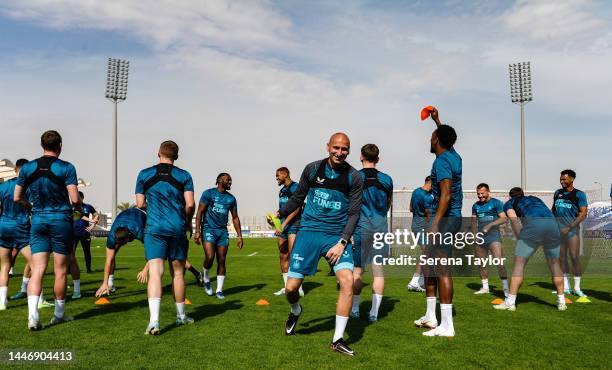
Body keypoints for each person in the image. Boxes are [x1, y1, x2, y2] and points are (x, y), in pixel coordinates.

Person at [279, 132, 363, 356]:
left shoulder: (354, 177)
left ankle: (337, 339)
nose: (339, 152)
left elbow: (354, 214)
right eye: (336, 148)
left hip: (336, 236)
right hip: (308, 233)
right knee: (291, 289)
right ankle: (296, 310)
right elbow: (298, 198)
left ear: (349, 150)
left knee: (348, 281)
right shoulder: (312, 169)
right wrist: (281, 213)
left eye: (344, 149)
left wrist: (342, 242)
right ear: (327, 147)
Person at [14, 131, 82, 330]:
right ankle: (58, 315)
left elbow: (17, 197)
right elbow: (75, 199)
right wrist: (78, 209)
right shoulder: (67, 167)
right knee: (60, 270)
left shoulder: (27, 168)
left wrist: (30, 205)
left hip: (39, 221)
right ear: (60, 145)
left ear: (41, 144)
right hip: (61, 220)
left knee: (38, 270)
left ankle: (33, 317)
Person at [135, 140, 195, 335]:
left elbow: (140, 203)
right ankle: (181, 317)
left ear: (158, 153)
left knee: (155, 273)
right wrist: (186, 219)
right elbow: (191, 204)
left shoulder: (144, 174)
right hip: (177, 228)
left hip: (154, 229)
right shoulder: (184, 175)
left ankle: (154, 321)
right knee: (177, 274)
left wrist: (154, 207)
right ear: (176, 156)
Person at [414, 108, 462, 338]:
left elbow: (446, 195)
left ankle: (447, 326)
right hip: (448, 218)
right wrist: (437, 121)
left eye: (433, 136)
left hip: (443, 219)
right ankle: (432, 316)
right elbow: (446, 138)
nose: (429, 139)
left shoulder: (442, 162)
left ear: (436, 140)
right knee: (428, 266)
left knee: (442, 269)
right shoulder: (453, 155)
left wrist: (434, 225)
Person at [494, 187, 566, 311]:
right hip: (553, 224)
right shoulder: (535, 198)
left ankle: (510, 302)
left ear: (510, 196)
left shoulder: (509, 203)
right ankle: (561, 302)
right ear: (523, 194)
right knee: (555, 264)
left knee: (519, 264)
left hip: (534, 225)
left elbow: (514, 219)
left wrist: (519, 238)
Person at [350, 144, 392, 323]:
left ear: (361, 157)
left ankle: (355, 309)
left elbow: (350, 206)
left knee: (358, 271)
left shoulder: (354, 177)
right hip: (380, 228)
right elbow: (388, 204)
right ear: (378, 158)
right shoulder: (387, 179)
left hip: (361, 228)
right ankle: (374, 313)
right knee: (379, 271)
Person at [194, 173, 244, 299]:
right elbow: (200, 212)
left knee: (221, 260)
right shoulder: (208, 194)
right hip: (208, 229)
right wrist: (197, 231)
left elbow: (235, 217)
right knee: (210, 257)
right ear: (220, 180)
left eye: (231, 180)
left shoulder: (231, 199)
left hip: (222, 232)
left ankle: (219, 290)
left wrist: (240, 236)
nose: (230, 182)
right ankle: (205, 278)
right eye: (228, 180)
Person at [0, 159, 32, 310]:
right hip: (21, 227)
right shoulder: (28, 187)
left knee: (5, 266)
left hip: (4, 226)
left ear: (15, 170)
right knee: (35, 265)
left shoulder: (3, 186)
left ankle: (2, 303)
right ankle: (39, 300)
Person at [552, 170, 588, 297]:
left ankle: (577, 288)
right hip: (558, 231)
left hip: (572, 230)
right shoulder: (557, 193)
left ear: (572, 179)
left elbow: (583, 213)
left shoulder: (579, 194)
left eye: (564, 179)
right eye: (561, 179)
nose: (562, 181)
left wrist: (569, 226)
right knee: (561, 258)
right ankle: (566, 287)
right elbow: (554, 209)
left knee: (574, 257)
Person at [95, 207, 146, 296]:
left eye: (124, 243)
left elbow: (153, 250)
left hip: (142, 214)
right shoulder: (111, 236)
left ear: (128, 237)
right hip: (124, 215)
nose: (122, 245)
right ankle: (110, 284)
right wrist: (104, 283)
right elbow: (108, 260)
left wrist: (145, 270)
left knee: (156, 248)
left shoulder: (138, 231)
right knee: (112, 255)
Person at [470, 183, 509, 296]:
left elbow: (504, 218)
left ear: (488, 191)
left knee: (499, 262)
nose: (480, 196)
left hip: (494, 237)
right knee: (481, 263)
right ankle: (485, 287)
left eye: (482, 193)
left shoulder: (496, 203)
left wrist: (490, 225)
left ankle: (506, 288)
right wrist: (474, 235)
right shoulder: (475, 206)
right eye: (478, 194)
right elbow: (473, 222)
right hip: (480, 238)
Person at [270, 167, 303, 296]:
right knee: (283, 255)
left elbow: (297, 209)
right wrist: (275, 222)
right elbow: (282, 210)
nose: (276, 178)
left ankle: (298, 287)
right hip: (282, 226)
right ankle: (286, 287)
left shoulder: (296, 187)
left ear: (285, 174)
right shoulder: (282, 191)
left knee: (293, 255)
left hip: (294, 225)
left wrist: (284, 224)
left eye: (278, 175)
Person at [68, 191, 99, 300]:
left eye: (78, 197)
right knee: (71, 254)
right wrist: (91, 220)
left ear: (81, 198)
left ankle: (88, 269)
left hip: (85, 233)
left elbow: (96, 215)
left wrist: (93, 225)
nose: (75, 199)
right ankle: (68, 271)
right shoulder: (71, 207)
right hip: (72, 233)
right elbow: (77, 217)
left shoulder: (88, 207)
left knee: (87, 251)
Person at [407, 176, 433, 292]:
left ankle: (420, 280)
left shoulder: (415, 191)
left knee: (427, 254)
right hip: (423, 227)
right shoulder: (427, 197)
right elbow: (429, 217)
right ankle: (414, 281)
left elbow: (411, 208)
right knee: (426, 254)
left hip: (415, 225)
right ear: (431, 182)